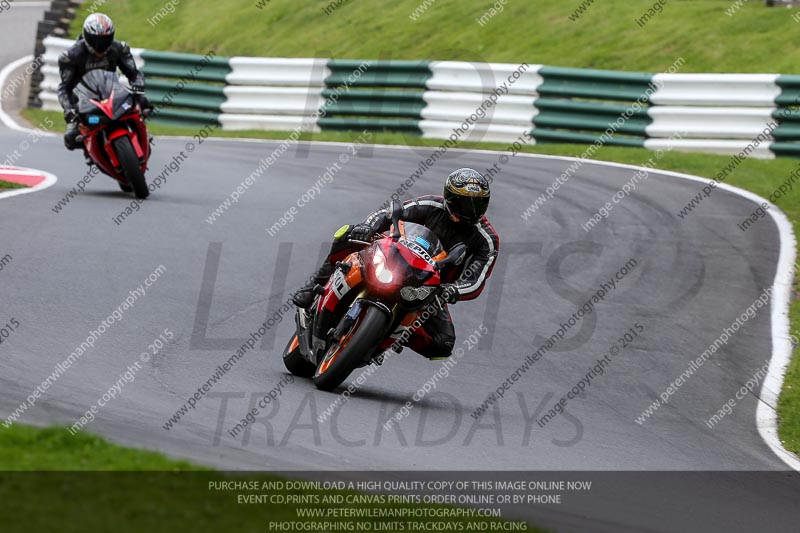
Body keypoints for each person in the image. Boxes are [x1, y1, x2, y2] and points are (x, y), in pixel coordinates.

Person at [293, 168, 500, 360]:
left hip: (429, 289)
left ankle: (386, 335)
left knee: (443, 345)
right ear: (450, 198)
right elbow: (387, 213)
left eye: (478, 204)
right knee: (347, 234)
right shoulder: (431, 205)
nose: (470, 211)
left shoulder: (486, 239)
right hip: (392, 257)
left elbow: (476, 280)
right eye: (464, 204)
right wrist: (367, 227)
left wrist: (452, 291)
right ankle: (313, 286)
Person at [57, 13, 151, 154]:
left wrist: (138, 85)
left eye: (105, 40)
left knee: (143, 102)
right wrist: (69, 110)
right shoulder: (71, 56)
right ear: (87, 37)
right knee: (71, 138)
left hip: (112, 92)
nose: (100, 46)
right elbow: (64, 88)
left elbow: (134, 73)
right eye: (96, 41)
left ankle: (143, 133)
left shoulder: (119, 49)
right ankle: (89, 151)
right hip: (85, 100)